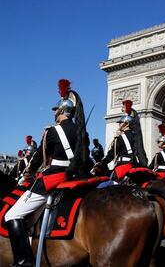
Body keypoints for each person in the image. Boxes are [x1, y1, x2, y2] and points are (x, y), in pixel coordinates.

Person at [4, 79, 91, 266]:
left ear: (60, 111)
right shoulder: (82, 131)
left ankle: (23, 260)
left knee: (11, 215)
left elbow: (37, 161)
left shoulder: (52, 132)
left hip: (54, 178)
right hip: (75, 176)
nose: (54, 115)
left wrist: (26, 174)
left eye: (56, 111)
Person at [100, 99, 148, 181]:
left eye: (120, 122)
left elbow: (112, 154)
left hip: (122, 167)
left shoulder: (120, 138)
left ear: (126, 124)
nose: (119, 124)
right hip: (131, 165)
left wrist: (102, 163)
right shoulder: (135, 136)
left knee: (105, 185)